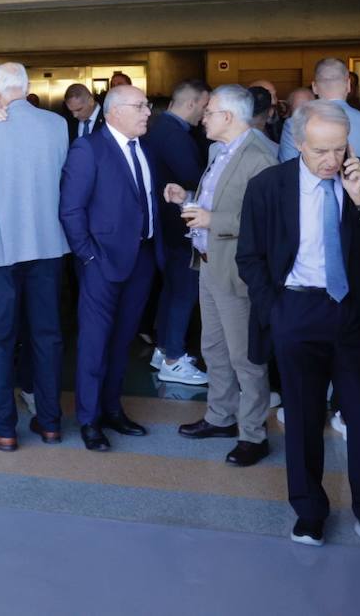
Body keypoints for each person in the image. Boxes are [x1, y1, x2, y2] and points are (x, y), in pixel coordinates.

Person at [238, 101, 360, 558]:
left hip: (352, 312)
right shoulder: (269, 186)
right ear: (298, 143)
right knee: (303, 418)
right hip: (296, 310)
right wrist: (275, 311)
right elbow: (248, 257)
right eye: (320, 151)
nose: (331, 160)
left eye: (339, 148)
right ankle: (309, 511)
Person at [164, 85, 277, 466]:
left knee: (245, 356)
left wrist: (215, 220)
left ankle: (253, 434)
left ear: (228, 116)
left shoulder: (261, 157)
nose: (203, 117)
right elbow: (218, 198)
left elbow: (269, 221)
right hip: (208, 262)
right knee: (213, 347)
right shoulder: (219, 151)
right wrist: (189, 197)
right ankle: (220, 417)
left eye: (209, 111)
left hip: (236, 268)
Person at [0, 62, 68, 452]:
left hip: (1, 244)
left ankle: (3, 427)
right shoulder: (57, 126)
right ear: (26, 86)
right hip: (47, 241)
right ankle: (50, 422)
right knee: (47, 334)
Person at [59, 84, 164, 450]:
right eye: (141, 106)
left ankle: (112, 409)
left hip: (142, 259)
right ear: (115, 112)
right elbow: (71, 210)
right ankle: (89, 420)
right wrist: (88, 256)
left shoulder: (144, 147)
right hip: (101, 261)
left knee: (122, 341)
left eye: (147, 106)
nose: (147, 112)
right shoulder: (89, 148)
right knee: (94, 342)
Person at [142, 79, 210, 386]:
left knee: (172, 289)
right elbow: (195, 180)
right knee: (183, 291)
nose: (205, 116)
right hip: (180, 224)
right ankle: (174, 357)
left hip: (165, 225)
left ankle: (164, 349)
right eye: (206, 107)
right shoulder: (177, 136)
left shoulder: (159, 129)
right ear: (193, 103)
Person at [280, 58, 360, 215]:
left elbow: (289, 182)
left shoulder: (295, 124)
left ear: (315, 88)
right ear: (349, 85)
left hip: (315, 219)